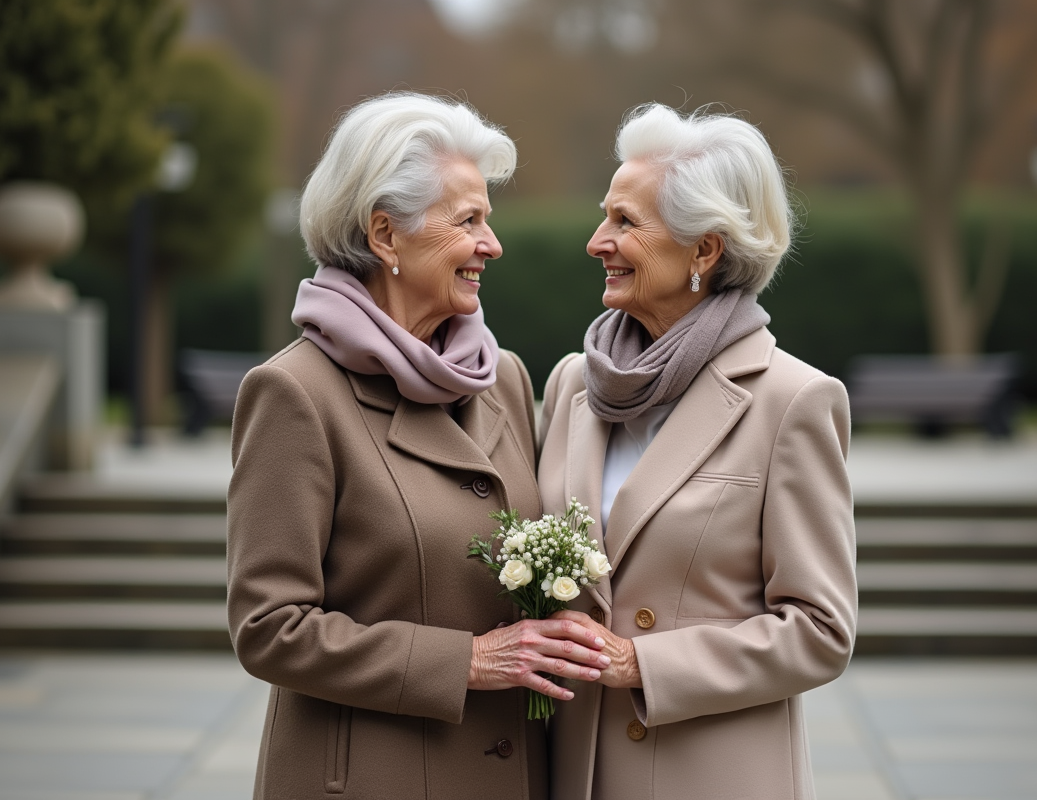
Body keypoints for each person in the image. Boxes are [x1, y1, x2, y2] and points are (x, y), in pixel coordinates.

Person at [226, 93, 608, 800]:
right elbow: (269, 628)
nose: (492, 245)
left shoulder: (505, 379)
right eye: (469, 221)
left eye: (488, 220)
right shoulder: (294, 393)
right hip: (373, 776)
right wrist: (464, 661)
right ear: (384, 234)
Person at [538, 103, 857, 800]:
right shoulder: (570, 385)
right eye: (604, 215)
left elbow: (821, 630)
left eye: (626, 221)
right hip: (576, 773)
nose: (598, 240)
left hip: (709, 776)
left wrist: (643, 664)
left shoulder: (793, 400)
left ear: (704, 251)